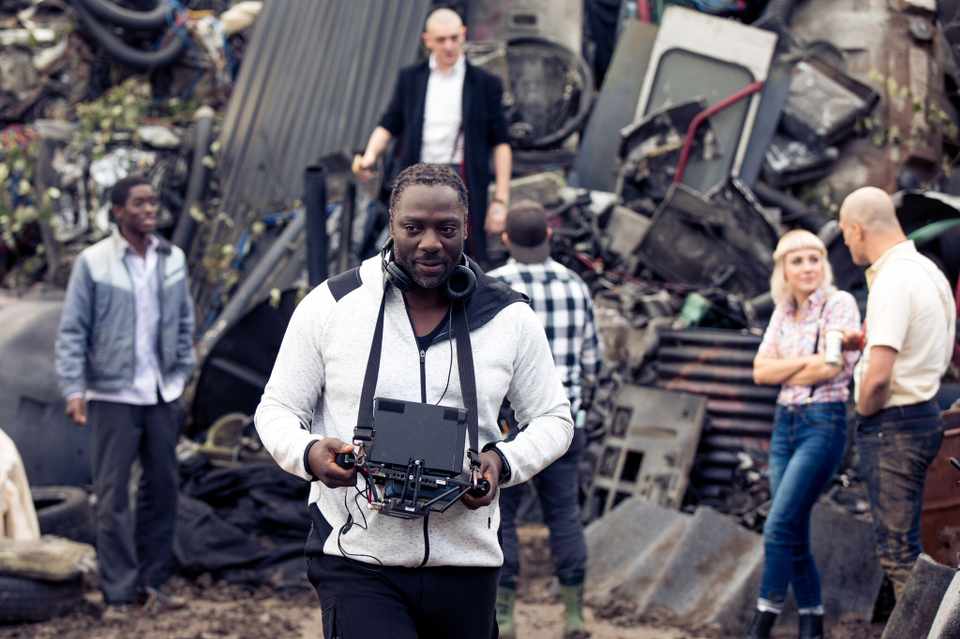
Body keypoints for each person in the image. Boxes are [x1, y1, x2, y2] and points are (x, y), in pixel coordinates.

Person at [255, 164, 572, 638]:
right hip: (358, 559)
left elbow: (553, 418)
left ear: (466, 226)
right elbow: (277, 408)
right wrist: (308, 453)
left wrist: (500, 464)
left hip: (468, 562)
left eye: (446, 229)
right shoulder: (332, 306)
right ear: (391, 224)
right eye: (413, 227)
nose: (429, 243)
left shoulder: (509, 316)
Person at [54, 175, 196, 617]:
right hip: (112, 393)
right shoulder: (94, 262)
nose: (150, 209)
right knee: (113, 494)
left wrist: (182, 370)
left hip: (159, 391)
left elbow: (186, 321)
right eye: (139, 203)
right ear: (117, 211)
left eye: (153, 202)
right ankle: (118, 591)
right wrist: (74, 388)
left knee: (164, 488)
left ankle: (152, 583)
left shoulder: (172, 259)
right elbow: (73, 329)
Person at [487, 200, 600, 639]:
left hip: (507, 428)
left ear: (505, 240)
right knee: (565, 515)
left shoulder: (492, 287)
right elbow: (593, 363)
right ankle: (573, 617)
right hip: (565, 423)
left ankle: (506, 618)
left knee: (502, 517)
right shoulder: (576, 286)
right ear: (550, 237)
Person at [838, 186, 956, 600]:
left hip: (893, 425)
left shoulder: (893, 280)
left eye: (844, 233)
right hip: (922, 415)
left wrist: (865, 408)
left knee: (898, 555)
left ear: (856, 229)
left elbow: (879, 378)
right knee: (910, 546)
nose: (846, 242)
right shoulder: (928, 272)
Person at [747, 229, 861, 639]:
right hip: (785, 425)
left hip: (822, 422)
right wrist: (811, 359)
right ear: (784, 270)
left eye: (814, 259)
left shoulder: (839, 303)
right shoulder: (782, 311)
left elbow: (831, 370)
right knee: (792, 528)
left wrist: (789, 364)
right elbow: (761, 371)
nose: (807, 267)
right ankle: (812, 625)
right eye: (798, 261)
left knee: (777, 526)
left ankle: (761, 624)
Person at [353, 7, 512, 265]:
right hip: (417, 173)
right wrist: (370, 157)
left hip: (464, 177)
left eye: (454, 38)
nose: (449, 46)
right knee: (407, 246)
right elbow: (389, 123)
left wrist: (501, 200)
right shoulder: (411, 78)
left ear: (463, 35)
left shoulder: (485, 83)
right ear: (427, 40)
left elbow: (501, 143)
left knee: (463, 250)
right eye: (441, 40)